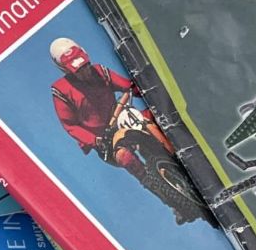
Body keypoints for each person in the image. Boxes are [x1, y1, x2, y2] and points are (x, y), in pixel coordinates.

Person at [48, 36, 202, 223]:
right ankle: (173, 203)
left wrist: (146, 88)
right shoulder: (61, 91)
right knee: (125, 158)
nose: (84, 71)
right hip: (103, 138)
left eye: (85, 65)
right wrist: (94, 140)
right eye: (78, 70)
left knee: (152, 120)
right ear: (65, 69)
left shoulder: (100, 71)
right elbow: (70, 125)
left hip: (121, 116)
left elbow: (128, 86)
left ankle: (187, 159)